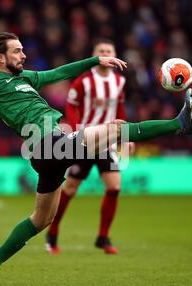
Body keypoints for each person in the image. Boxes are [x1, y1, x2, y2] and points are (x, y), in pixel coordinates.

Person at [0, 32, 192, 286]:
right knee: (116, 129)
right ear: (0, 58)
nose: (24, 55)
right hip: (46, 144)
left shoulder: (25, 78)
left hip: (48, 152)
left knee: (42, 219)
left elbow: (59, 74)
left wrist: (95, 60)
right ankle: (178, 124)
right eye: (17, 51)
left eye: (23, 50)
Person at [46, 39, 133, 255]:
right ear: (96, 54)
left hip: (106, 143)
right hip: (85, 141)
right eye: (101, 50)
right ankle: (53, 232)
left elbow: (120, 111)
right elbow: (71, 107)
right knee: (70, 189)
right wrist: (80, 132)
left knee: (114, 187)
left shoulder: (118, 82)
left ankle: (103, 237)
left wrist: (125, 138)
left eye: (108, 50)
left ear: (114, 54)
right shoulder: (84, 81)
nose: (105, 53)